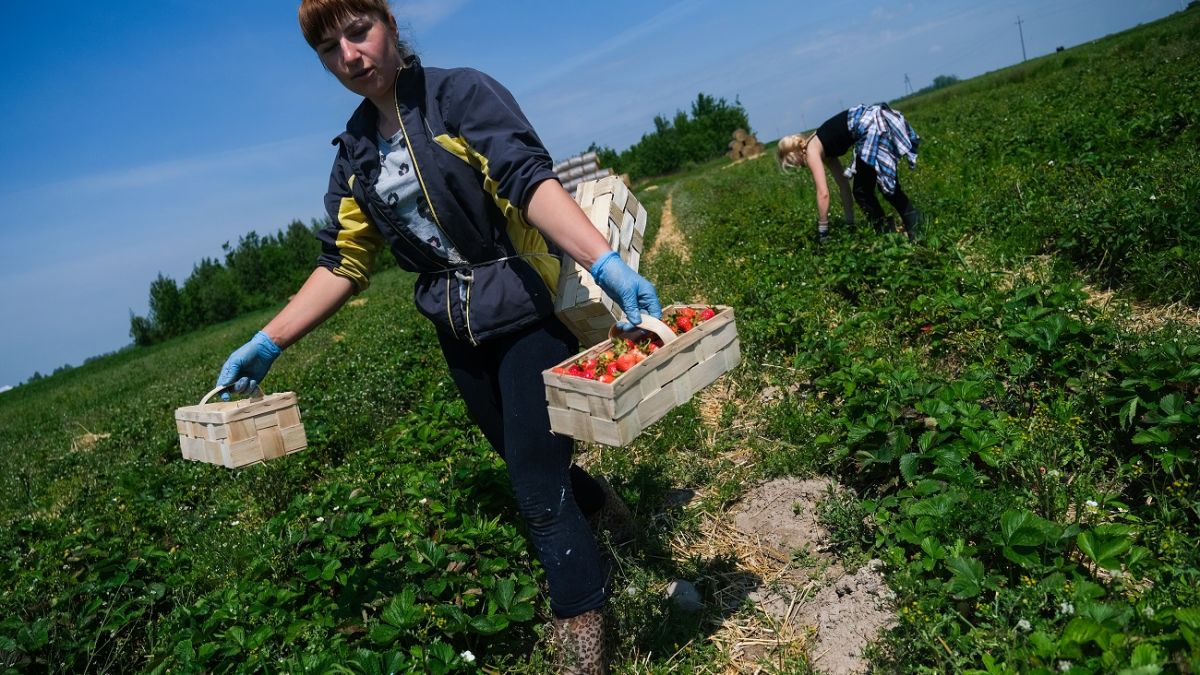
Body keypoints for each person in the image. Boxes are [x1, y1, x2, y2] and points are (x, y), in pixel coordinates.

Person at [216, 2, 661, 671]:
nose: (350, 56)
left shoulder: (459, 95)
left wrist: (603, 260)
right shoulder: (356, 153)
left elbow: (526, 178)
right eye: (330, 49)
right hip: (457, 329)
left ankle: (584, 633)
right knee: (525, 458)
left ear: (388, 24)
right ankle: (605, 509)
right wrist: (269, 340)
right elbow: (343, 260)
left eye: (359, 32)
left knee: (537, 487)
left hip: (522, 308)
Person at [777, 103, 923, 243]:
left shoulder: (810, 151)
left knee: (864, 192)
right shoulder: (822, 147)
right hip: (872, 121)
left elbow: (823, 194)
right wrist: (850, 222)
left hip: (871, 126)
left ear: (794, 155)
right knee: (867, 189)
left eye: (794, 163)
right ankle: (903, 226)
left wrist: (823, 230)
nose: (800, 166)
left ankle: (892, 231)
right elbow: (843, 185)